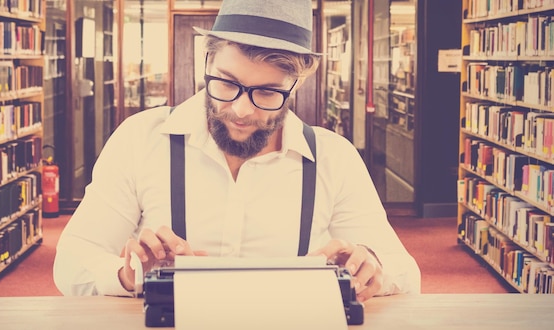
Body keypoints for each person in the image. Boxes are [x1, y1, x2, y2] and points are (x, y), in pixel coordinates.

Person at [53, 0, 421, 302]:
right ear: (207, 62)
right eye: (227, 83)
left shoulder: (334, 158)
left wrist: (373, 268)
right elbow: (70, 263)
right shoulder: (140, 140)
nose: (243, 110)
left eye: (267, 92)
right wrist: (125, 275)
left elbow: (405, 272)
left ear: (296, 85)